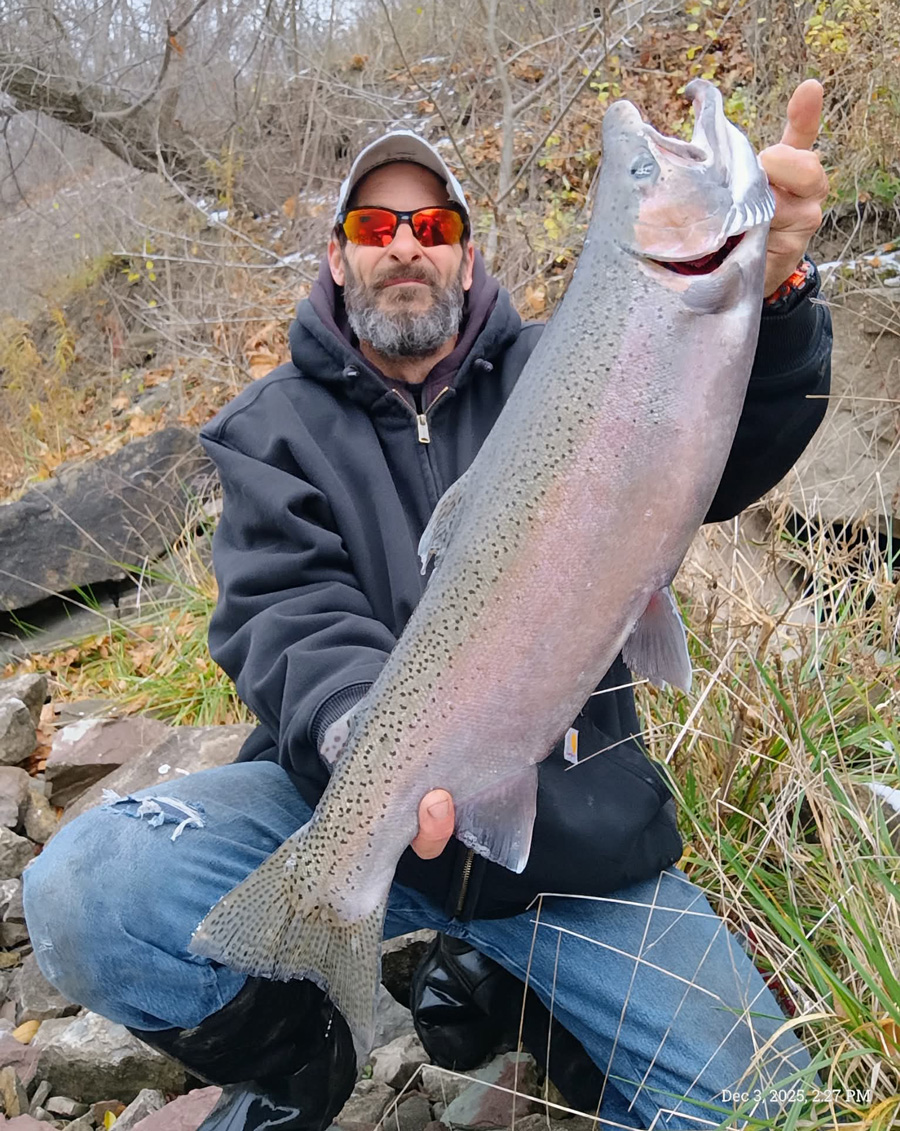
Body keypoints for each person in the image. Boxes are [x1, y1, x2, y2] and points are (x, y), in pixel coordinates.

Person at [23, 81, 832, 1131]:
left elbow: (727, 452)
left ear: (466, 251)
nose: (404, 243)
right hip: (337, 801)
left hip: (569, 846)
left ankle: (528, 1004)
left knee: (771, 1104)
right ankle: (310, 1054)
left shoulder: (577, 359)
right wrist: (374, 743)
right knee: (88, 888)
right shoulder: (267, 432)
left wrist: (770, 294)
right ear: (337, 256)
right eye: (375, 224)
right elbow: (285, 618)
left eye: (432, 223)